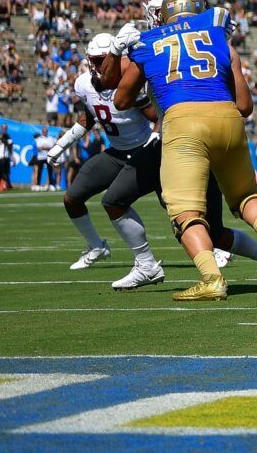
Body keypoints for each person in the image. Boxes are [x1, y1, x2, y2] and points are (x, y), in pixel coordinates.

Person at [115, 0, 257, 302]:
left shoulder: (146, 43)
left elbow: (120, 99)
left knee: (185, 212)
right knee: (245, 196)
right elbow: (246, 105)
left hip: (183, 123)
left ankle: (211, 278)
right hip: (227, 118)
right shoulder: (217, 35)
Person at [44, 32, 166, 289]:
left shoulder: (129, 84)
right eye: (96, 61)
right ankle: (96, 247)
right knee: (72, 198)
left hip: (146, 151)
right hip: (117, 152)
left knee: (173, 207)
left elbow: (158, 115)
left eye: (104, 60)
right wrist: (61, 145)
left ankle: (215, 245)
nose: (100, 67)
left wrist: (155, 138)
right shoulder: (84, 84)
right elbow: (88, 119)